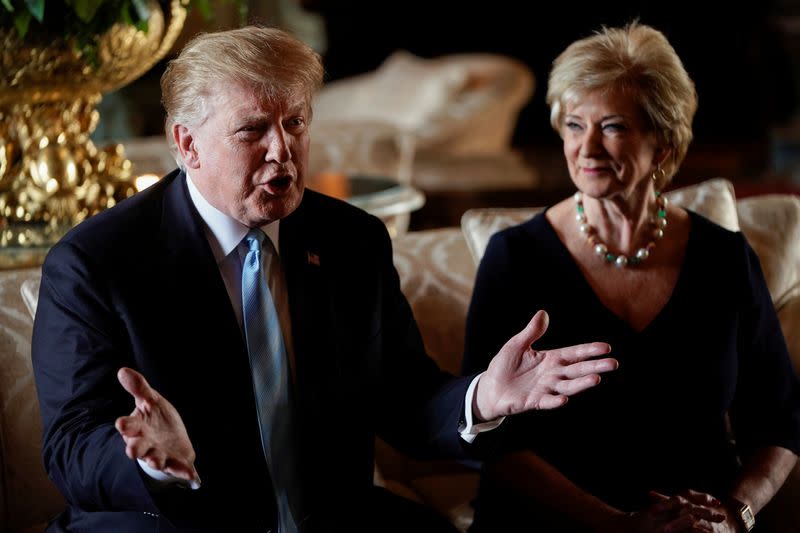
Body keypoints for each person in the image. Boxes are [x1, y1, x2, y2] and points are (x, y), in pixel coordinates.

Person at [30, 25, 619, 532]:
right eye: (252, 130)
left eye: (295, 123)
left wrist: (481, 398)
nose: (281, 151)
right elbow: (71, 447)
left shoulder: (352, 240)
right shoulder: (95, 263)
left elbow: (406, 396)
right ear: (187, 144)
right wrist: (150, 462)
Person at [461, 21, 800, 533]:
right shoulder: (516, 258)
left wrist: (737, 511)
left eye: (613, 127)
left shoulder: (723, 257)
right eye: (575, 125)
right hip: (554, 526)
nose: (587, 149)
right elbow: (494, 441)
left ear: (661, 145)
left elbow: (780, 418)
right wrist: (618, 526)